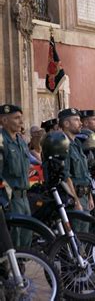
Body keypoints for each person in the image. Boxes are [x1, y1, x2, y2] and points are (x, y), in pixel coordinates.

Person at [0, 104, 32, 248]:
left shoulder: (21, 141)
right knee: (13, 239)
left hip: (24, 198)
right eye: (16, 118)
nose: (21, 122)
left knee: (26, 237)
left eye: (21, 118)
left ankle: (20, 266)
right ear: (4, 120)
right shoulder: (2, 142)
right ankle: (11, 269)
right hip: (10, 199)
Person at [58, 108, 94, 232]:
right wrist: (76, 201)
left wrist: (89, 196)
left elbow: (85, 172)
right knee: (78, 236)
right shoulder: (63, 145)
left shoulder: (77, 143)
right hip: (74, 199)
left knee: (85, 236)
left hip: (84, 196)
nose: (81, 123)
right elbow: (66, 176)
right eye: (76, 120)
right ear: (66, 124)